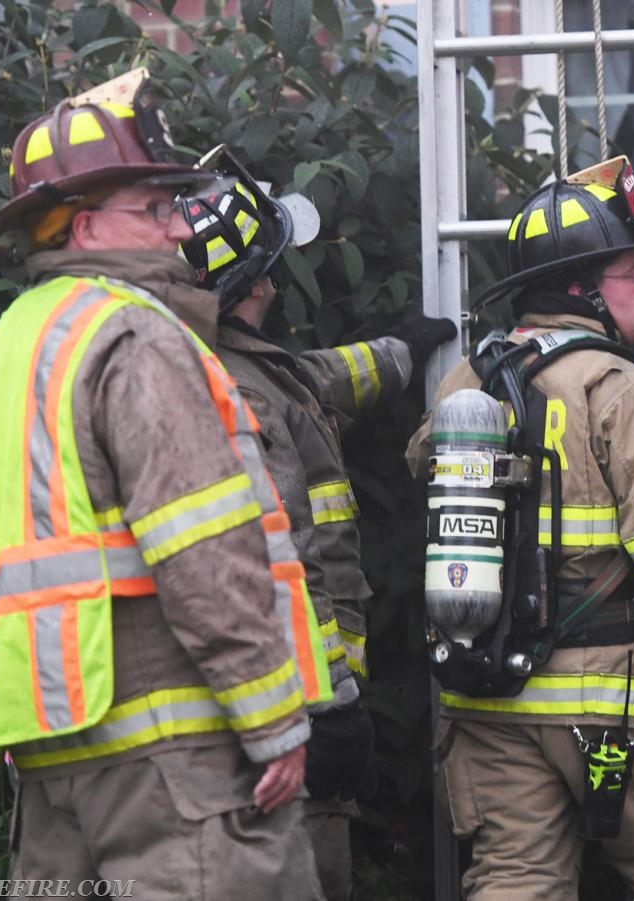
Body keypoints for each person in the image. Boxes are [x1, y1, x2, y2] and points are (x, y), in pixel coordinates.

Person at [0, 74, 331, 899]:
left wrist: (25, 713)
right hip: (178, 768)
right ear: (84, 226)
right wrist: (274, 720)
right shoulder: (135, 337)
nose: (181, 229)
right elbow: (206, 552)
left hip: (51, 769)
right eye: (155, 210)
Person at [407, 157, 634, 900]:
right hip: (618, 710)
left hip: (488, 701)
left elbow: (424, 469)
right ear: (582, 290)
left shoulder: (469, 382)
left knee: (515, 883)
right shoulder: (620, 388)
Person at [181, 168, 457, 901]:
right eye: (273, 268)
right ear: (257, 284)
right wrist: (330, 705)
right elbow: (289, 557)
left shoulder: (247, 367)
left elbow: (324, 377)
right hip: (295, 719)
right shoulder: (242, 395)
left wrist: (403, 349)